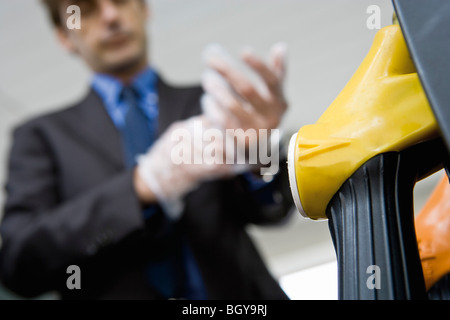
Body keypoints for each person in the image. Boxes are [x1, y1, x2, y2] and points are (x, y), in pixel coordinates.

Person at [0, 0, 293, 299]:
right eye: (86, 9)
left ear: (145, 9)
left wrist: (261, 154)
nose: (111, 16)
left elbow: (274, 210)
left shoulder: (212, 106)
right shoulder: (41, 137)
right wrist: (142, 186)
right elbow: (18, 261)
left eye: (121, 1)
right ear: (64, 36)